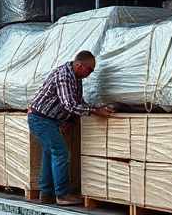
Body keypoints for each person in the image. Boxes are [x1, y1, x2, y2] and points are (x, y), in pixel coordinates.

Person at [27, 50, 113, 206]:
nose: (90, 73)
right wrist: (94, 111)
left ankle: (46, 194)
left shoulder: (76, 77)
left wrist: (89, 110)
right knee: (60, 152)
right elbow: (70, 104)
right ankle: (62, 195)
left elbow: (78, 102)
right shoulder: (65, 76)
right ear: (79, 65)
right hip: (41, 119)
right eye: (90, 70)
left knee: (50, 153)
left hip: (50, 120)